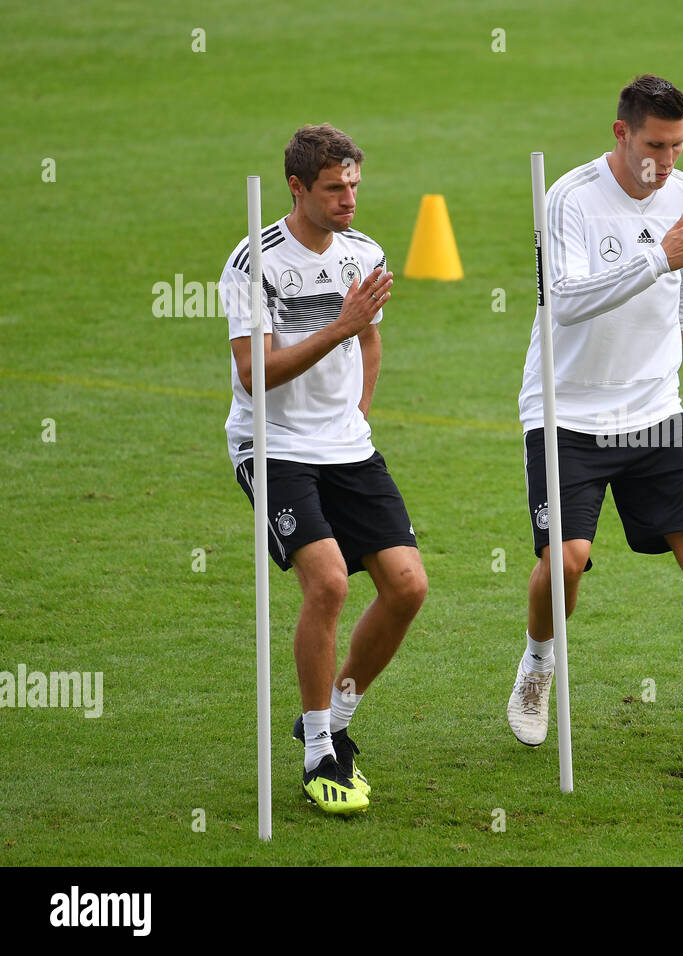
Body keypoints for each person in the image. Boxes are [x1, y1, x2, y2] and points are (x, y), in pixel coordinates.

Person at [510, 75, 683, 775]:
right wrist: (659, 257)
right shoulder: (570, 198)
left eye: (678, 146)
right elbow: (563, 302)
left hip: (653, 410)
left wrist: (667, 348)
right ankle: (537, 665)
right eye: (655, 145)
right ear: (621, 134)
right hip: (567, 411)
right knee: (565, 561)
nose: (667, 162)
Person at [220, 124, 427, 814]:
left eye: (355, 187)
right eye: (335, 188)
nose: (349, 200)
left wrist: (359, 413)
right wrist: (336, 327)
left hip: (346, 443)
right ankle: (316, 755)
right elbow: (255, 376)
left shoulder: (363, 251)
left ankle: (337, 721)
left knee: (407, 587)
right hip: (273, 444)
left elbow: (369, 341)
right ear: (297, 188)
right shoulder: (255, 263)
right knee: (330, 584)